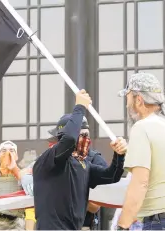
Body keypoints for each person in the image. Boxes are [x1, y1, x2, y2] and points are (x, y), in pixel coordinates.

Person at [32, 89, 127, 230]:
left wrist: (119, 155)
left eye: (87, 135)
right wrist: (80, 107)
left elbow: (113, 175)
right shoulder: (49, 159)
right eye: (81, 135)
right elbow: (69, 139)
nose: (86, 140)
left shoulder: (84, 165)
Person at [116, 72, 165, 230]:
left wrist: (123, 225)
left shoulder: (143, 127)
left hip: (164, 221)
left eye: (128, 98)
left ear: (139, 99)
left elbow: (140, 182)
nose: (127, 105)